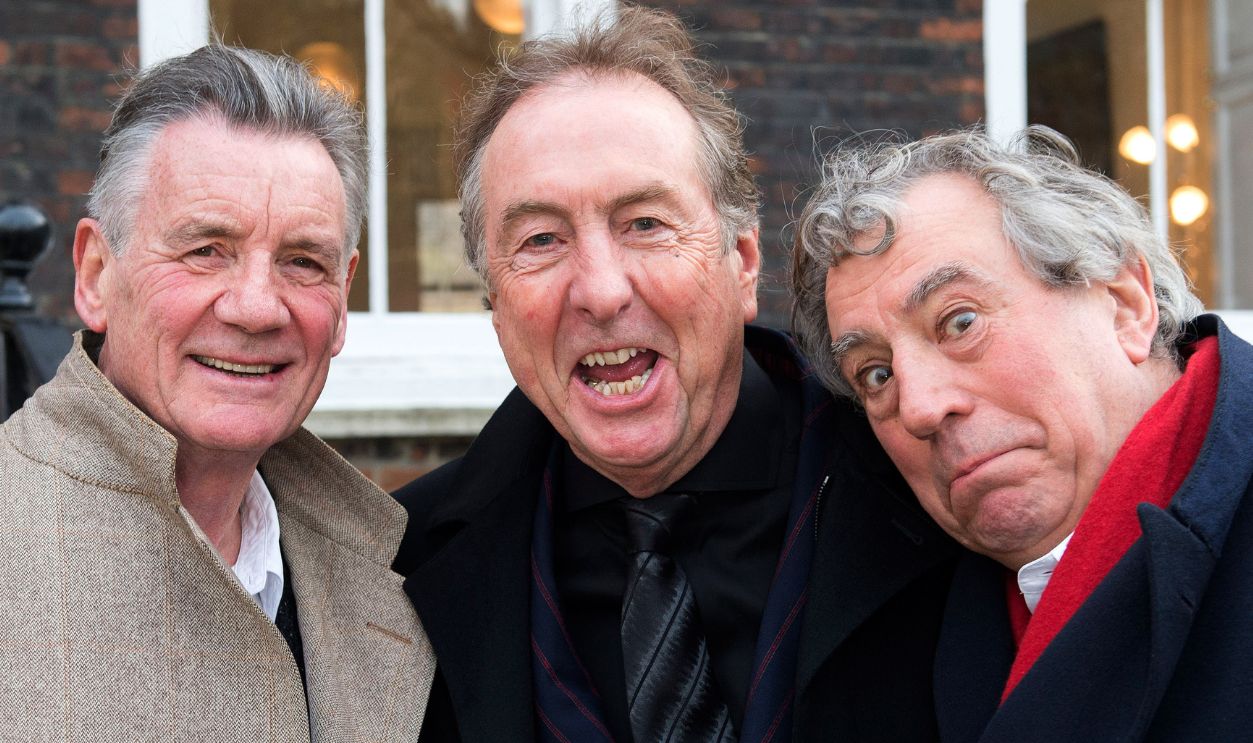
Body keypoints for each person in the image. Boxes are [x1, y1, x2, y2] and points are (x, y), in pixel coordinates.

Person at [393, 7, 959, 743]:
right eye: (540, 239)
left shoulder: (933, 486)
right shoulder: (400, 566)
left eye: (646, 223)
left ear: (743, 261)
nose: (600, 289)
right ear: (495, 304)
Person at [0, 44, 435, 740]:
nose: (257, 307)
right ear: (95, 275)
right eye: (206, 249)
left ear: (343, 301)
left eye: (302, 261)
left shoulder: (400, 573)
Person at [791, 126, 1253, 742]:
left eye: (959, 322)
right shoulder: (896, 627)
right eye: (876, 374)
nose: (922, 407)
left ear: (1125, 303)